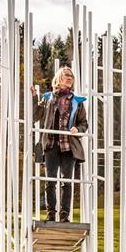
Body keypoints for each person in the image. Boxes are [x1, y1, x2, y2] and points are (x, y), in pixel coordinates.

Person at [32, 66, 88, 222]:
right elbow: (35, 115)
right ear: (59, 79)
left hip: (69, 146)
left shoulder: (77, 102)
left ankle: (64, 214)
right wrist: (34, 98)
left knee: (67, 182)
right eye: (66, 75)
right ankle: (51, 213)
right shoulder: (48, 98)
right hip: (51, 144)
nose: (70, 78)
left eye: (71, 76)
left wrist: (78, 129)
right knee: (50, 181)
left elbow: (84, 123)